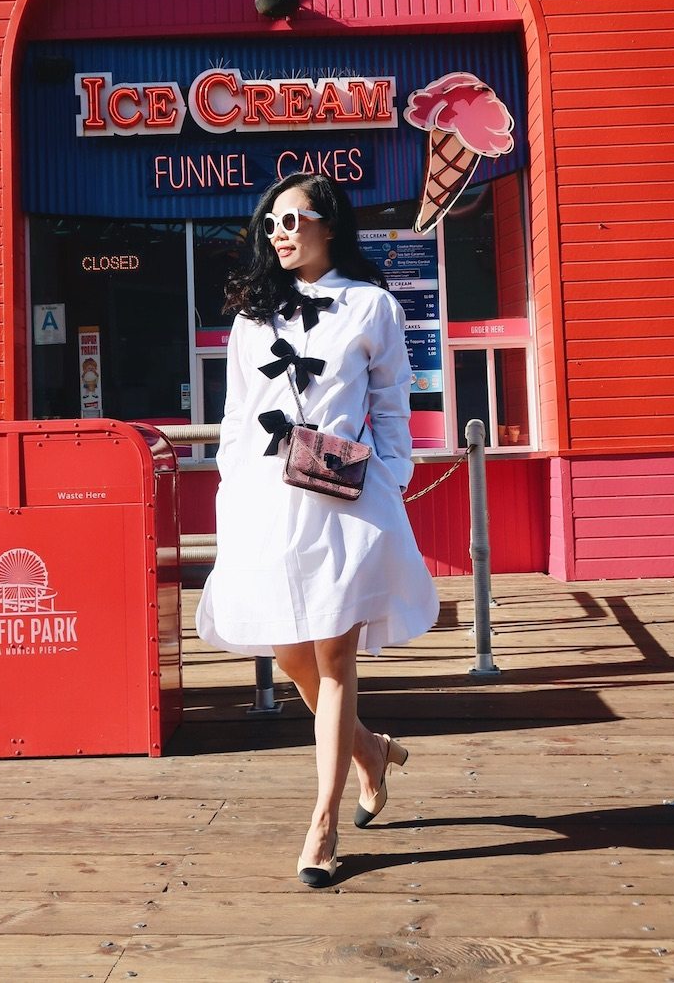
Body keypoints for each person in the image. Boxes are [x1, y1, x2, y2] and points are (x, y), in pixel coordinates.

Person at [195, 173, 439, 887]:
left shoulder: (372, 306)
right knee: (291, 652)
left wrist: (391, 475)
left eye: (294, 218)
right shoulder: (251, 318)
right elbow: (239, 417)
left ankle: (324, 827)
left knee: (335, 662)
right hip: (269, 503)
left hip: (345, 496)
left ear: (328, 223)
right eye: (271, 221)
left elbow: (395, 403)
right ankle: (372, 749)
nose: (280, 231)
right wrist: (231, 489)